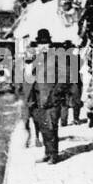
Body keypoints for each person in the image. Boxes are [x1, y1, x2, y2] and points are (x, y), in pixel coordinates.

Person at [26, 29, 62, 164]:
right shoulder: (38, 58)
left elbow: (65, 79)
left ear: (49, 44)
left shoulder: (57, 57)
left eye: (45, 43)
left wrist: (56, 94)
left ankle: (54, 155)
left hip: (51, 99)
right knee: (43, 127)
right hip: (38, 98)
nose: (43, 46)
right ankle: (48, 153)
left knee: (51, 127)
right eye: (40, 44)